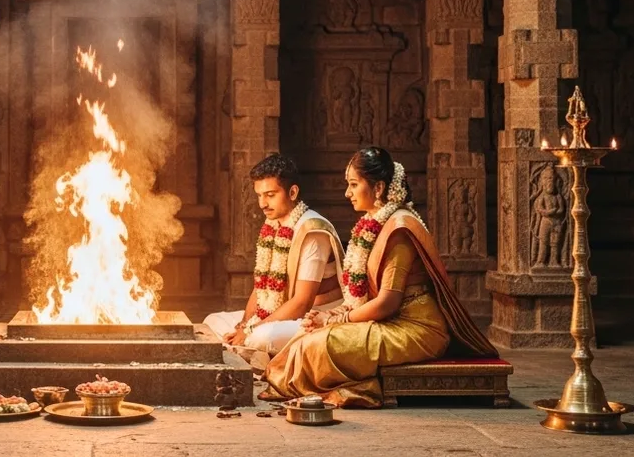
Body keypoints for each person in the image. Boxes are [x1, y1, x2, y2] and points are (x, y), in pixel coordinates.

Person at [264, 146, 496, 407]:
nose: (347, 193)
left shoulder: (399, 228)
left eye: (353, 184)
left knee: (321, 344)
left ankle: (356, 386)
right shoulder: (373, 223)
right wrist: (329, 315)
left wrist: (335, 319)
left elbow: (388, 302)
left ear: (378, 188)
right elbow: (362, 297)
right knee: (305, 336)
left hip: (416, 328)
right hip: (388, 321)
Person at [203, 153, 345, 364]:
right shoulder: (273, 225)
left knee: (262, 337)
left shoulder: (313, 231)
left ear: (293, 192)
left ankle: (253, 354)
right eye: (259, 195)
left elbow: (302, 303)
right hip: (280, 315)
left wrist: (250, 330)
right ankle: (251, 353)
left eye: (270, 195)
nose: (263, 204)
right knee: (212, 321)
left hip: (315, 319)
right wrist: (244, 324)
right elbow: (261, 289)